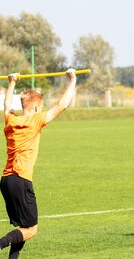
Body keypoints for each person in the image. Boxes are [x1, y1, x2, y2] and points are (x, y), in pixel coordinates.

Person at [1, 69, 77, 258]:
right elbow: (63, 104)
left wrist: (12, 82)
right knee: (31, 229)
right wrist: (73, 79)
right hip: (21, 179)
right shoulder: (36, 120)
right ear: (36, 108)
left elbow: (6, 106)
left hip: (6, 180)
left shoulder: (11, 120)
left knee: (22, 227)